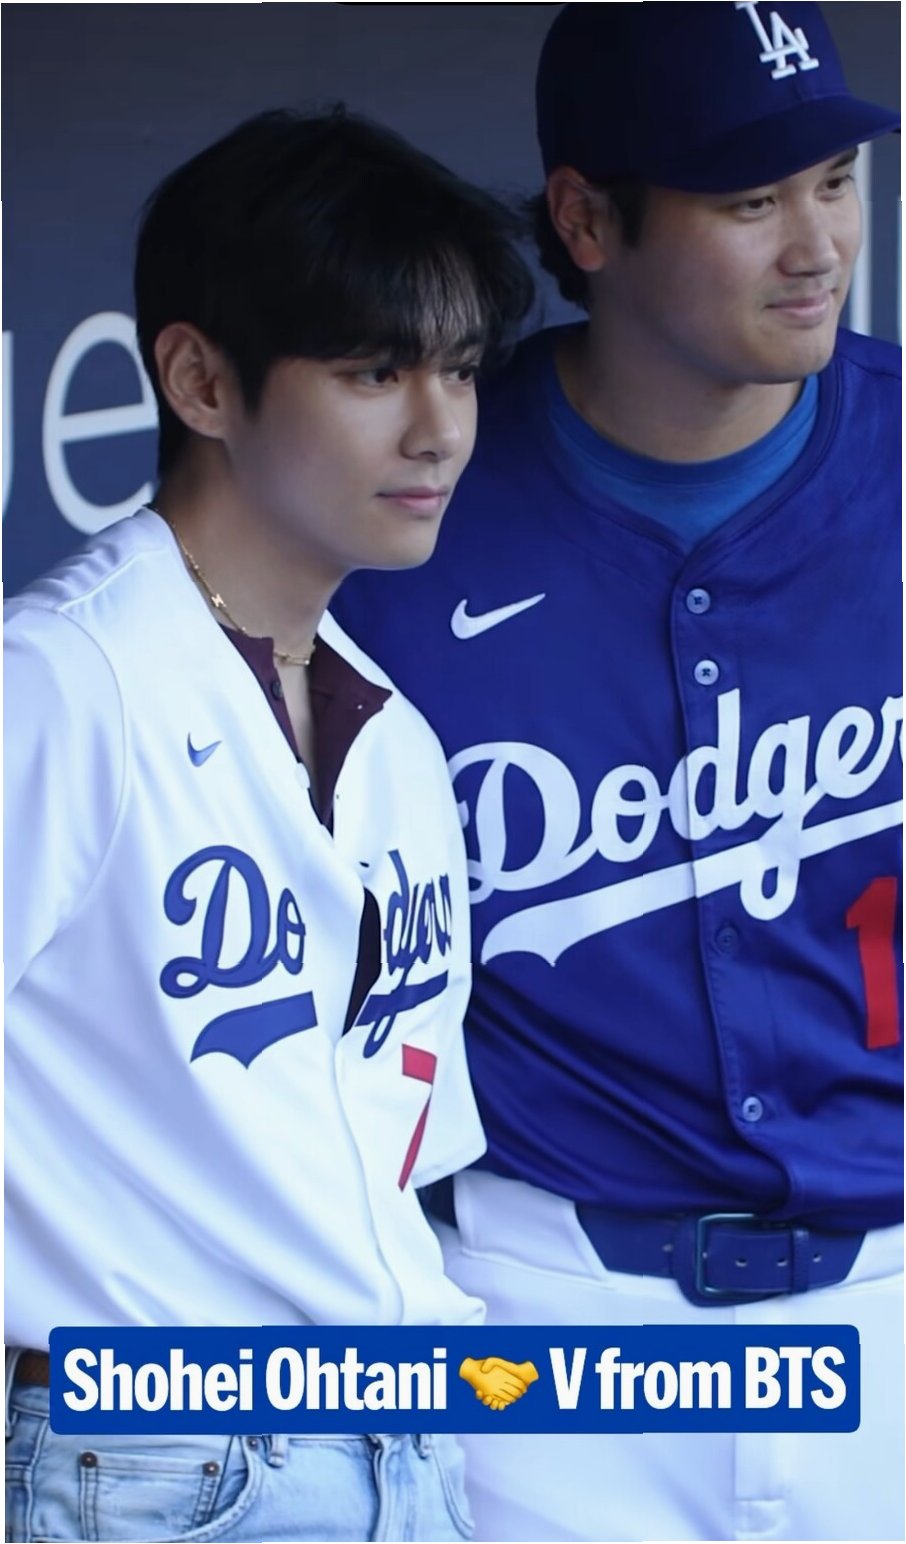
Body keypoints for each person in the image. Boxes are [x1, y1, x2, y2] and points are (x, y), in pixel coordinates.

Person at [332, 5, 903, 1540]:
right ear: (584, 220)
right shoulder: (409, 505)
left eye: (834, 182)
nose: (815, 246)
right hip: (542, 1324)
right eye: (748, 199)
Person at [4, 107, 532, 1544]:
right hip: (153, 1463)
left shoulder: (396, 738)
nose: (437, 429)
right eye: (372, 371)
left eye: (458, 370)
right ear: (200, 379)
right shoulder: (58, 683)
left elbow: (392, 1149)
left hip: (398, 1443)